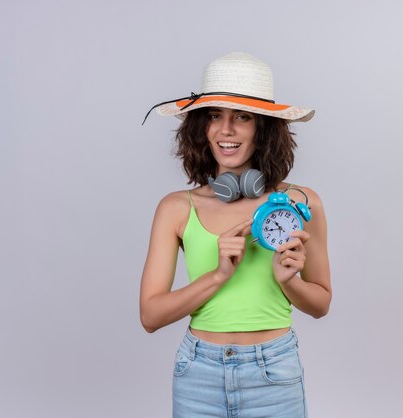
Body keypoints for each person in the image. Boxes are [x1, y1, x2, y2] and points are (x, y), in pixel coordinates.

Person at [140, 52, 331, 418]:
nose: (225, 130)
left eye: (241, 117)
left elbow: (321, 304)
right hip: (198, 373)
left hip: (274, 371)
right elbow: (150, 315)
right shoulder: (176, 208)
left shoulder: (301, 203)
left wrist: (287, 281)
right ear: (201, 127)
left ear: (264, 128)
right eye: (214, 116)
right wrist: (218, 276)